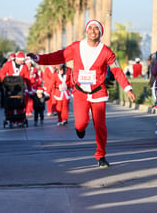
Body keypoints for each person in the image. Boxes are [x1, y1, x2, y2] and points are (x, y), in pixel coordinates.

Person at [28, 19, 136, 168]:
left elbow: (116, 70)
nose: (93, 31)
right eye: (90, 28)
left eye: (96, 29)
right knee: (80, 122)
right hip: (80, 93)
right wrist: (39, 59)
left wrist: (127, 88)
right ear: (86, 30)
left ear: (100, 33)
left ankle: (101, 156)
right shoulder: (76, 47)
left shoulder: (106, 52)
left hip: (98, 93)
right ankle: (80, 128)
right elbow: (58, 56)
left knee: (100, 126)